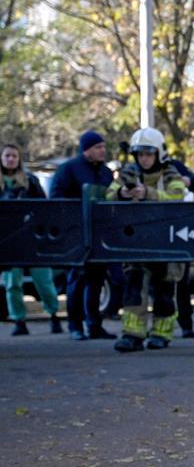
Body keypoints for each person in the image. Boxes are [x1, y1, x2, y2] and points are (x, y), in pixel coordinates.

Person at [105, 127, 187, 352]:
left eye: (149, 154)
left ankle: (161, 334)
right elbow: (108, 195)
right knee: (134, 288)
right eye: (140, 154)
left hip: (167, 242)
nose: (144, 158)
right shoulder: (128, 173)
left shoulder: (170, 172)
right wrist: (122, 194)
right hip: (137, 241)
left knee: (164, 291)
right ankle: (132, 334)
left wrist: (148, 194)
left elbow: (177, 196)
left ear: (158, 153)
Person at [50, 130, 115, 340]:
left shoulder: (105, 172)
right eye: (98, 147)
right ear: (86, 149)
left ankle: (94, 325)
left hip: (98, 234)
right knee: (76, 280)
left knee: (96, 281)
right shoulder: (68, 169)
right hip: (75, 233)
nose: (102, 151)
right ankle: (75, 325)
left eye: (104, 147)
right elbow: (56, 198)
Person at [1, 143, 61, 336]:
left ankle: (53, 314)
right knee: (12, 282)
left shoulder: (30, 181)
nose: (10, 159)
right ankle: (19, 319)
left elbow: (43, 209)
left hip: (31, 236)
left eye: (14, 156)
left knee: (43, 280)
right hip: (8, 239)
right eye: (7, 156)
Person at [165, 154, 194, 338]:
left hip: (179, 229)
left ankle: (185, 323)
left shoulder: (174, 166)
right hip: (155, 230)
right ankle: (161, 324)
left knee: (181, 281)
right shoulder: (138, 170)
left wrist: (187, 179)